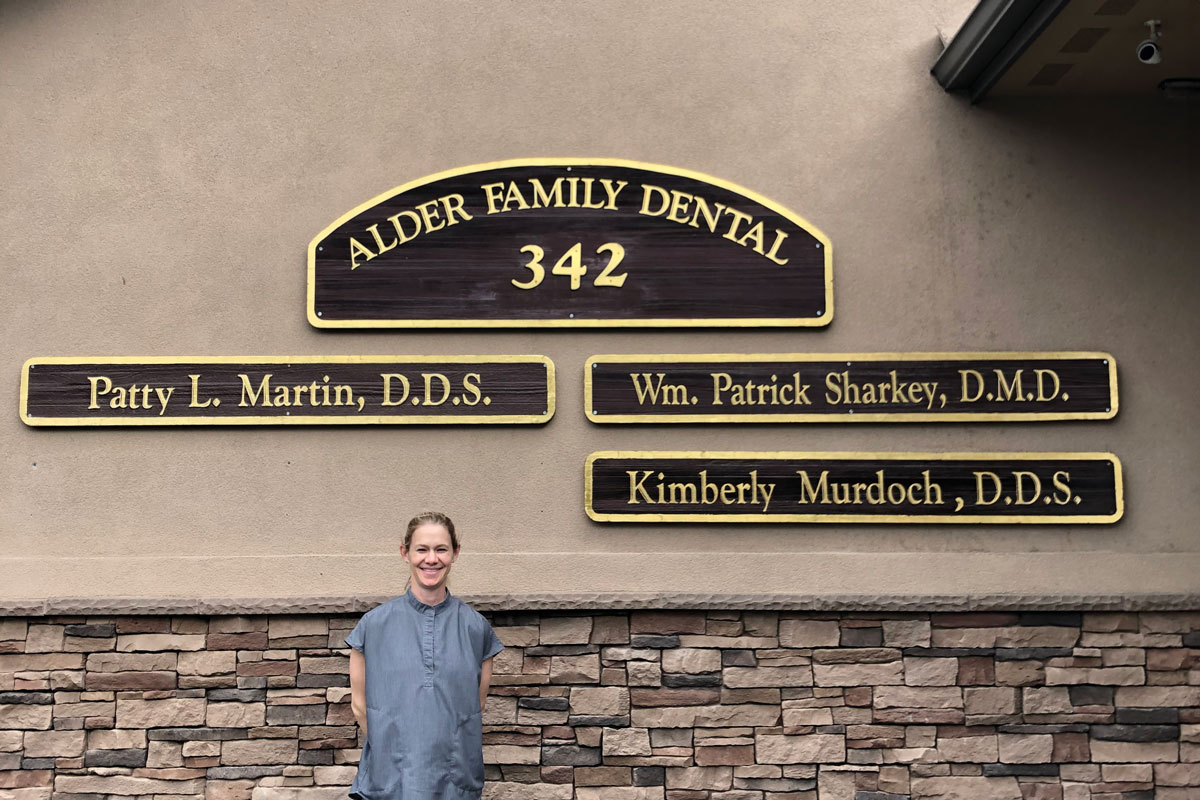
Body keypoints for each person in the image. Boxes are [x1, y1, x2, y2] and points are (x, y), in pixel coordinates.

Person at [345, 511, 504, 800]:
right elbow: (360, 707)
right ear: (405, 553)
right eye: (422, 549)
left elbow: (474, 706)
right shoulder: (373, 626)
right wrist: (394, 748)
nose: (431, 559)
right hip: (391, 778)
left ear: (455, 553)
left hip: (454, 780)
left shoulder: (475, 628)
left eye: (441, 549)